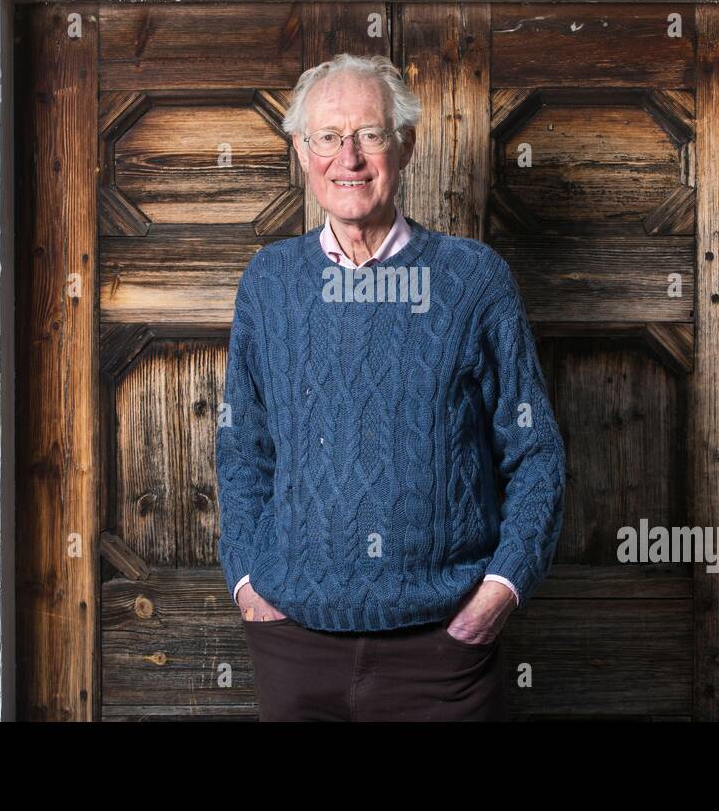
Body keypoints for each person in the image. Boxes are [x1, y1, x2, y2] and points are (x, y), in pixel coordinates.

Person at [216, 53, 565, 721]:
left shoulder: (473, 280)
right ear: (301, 150)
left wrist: (500, 589)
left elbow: (535, 451)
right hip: (293, 643)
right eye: (327, 137)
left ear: (405, 144)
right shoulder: (270, 281)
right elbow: (243, 447)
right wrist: (247, 583)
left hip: (441, 649)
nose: (348, 157)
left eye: (370, 135)